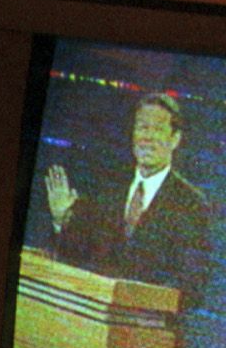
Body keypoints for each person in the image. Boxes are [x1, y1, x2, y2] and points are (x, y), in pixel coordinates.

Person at [44, 90, 214, 311]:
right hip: (95, 322)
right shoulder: (108, 189)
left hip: (149, 331)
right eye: (142, 128)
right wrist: (61, 220)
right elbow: (79, 257)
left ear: (175, 139)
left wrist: (135, 303)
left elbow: (192, 288)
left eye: (158, 129)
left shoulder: (192, 204)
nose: (148, 138)